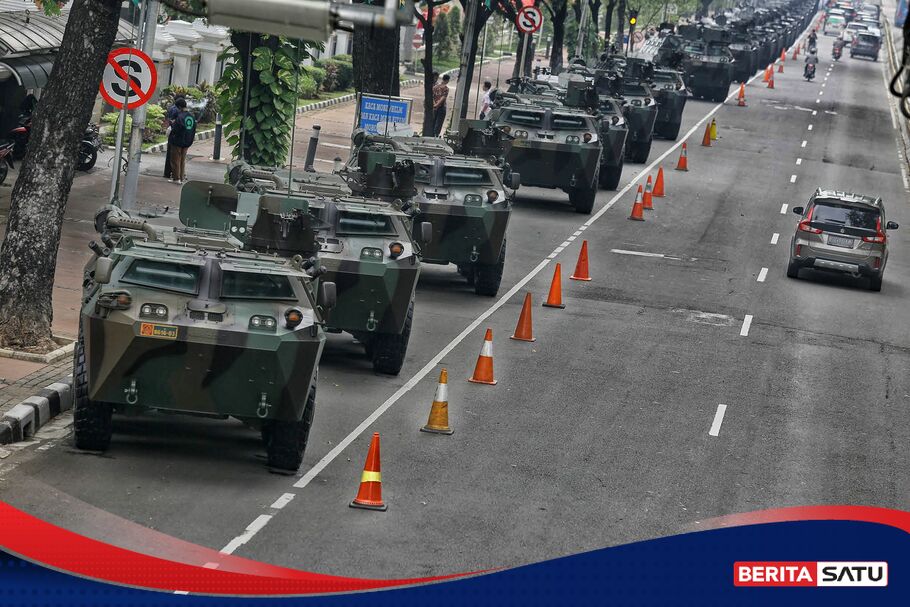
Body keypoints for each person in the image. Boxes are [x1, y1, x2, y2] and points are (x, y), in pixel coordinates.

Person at [168, 98, 196, 183]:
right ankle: (182, 177)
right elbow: (193, 129)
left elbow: (176, 129)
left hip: (178, 141)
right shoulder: (191, 117)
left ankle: (176, 178)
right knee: (182, 160)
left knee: (175, 160)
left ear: (179, 107)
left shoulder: (180, 117)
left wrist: (172, 125)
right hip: (187, 141)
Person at [163, 95, 184, 179]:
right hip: (176, 134)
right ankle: (174, 174)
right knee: (175, 157)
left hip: (172, 133)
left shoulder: (172, 108)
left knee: (170, 155)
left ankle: (168, 173)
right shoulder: (177, 110)